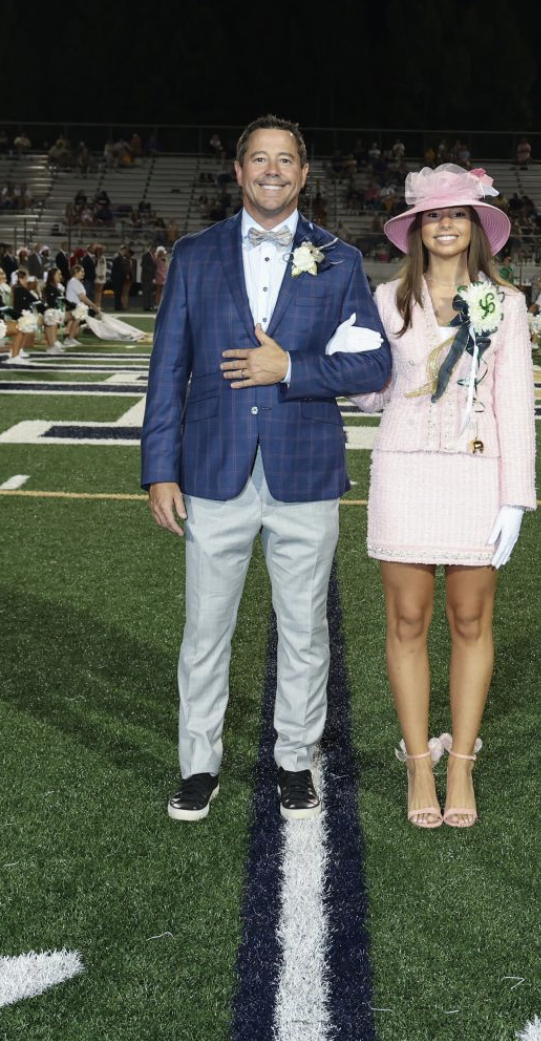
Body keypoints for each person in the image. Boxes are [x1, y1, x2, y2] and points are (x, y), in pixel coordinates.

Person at [140, 114, 391, 824]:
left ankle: (295, 760)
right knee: (204, 628)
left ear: (304, 174)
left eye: (285, 159)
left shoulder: (339, 258)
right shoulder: (194, 254)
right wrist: (159, 468)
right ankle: (198, 765)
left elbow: (374, 364)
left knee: (305, 628)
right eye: (259, 158)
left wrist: (292, 369)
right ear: (238, 171)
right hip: (212, 467)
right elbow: (168, 369)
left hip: (304, 468)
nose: (272, 170)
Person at [348, 165, 535, 830]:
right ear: (417, 229)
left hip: (477, 477)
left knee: (470, 620)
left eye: (457, 214)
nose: (445, 224)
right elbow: (376, 395)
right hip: (404, 472)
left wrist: (515, 498)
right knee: (406, 620)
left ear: (476, 226)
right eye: (433, 215)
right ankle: (418, 762)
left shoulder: (506, 303)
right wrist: (345, 358)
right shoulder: (386, 299)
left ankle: (460, 762)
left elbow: (516, 403)